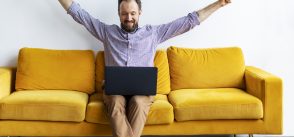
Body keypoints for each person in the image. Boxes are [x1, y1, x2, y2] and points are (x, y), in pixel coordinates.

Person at [58, 0, 231, 137]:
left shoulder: (153, 33)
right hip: (114, 91)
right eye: (125, 13)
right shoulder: (107, 32)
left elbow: (189, 21)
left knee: (139, 103)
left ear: (139, 13)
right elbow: (78, 13)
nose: (129, 17)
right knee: (116, 102)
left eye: (133, 13)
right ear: (119, 14)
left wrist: (219, 3)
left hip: (142, 92)